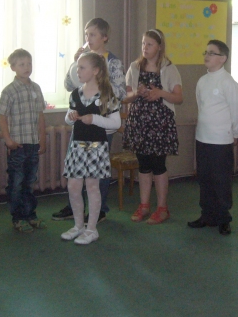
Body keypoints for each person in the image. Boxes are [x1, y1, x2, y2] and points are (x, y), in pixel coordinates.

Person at [52, 18, 126, 222]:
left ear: (104, 37)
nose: (88, 38)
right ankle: (73, 207)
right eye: (86, 34)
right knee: (76, 170)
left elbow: (120, 92)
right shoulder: (83, 59)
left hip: (102, 123)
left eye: (93, 34)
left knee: (97, 171)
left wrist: (99, 83)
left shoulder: (113, 62)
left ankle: (98, 210)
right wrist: (76, 63)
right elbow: (70, 86)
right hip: (81, 123)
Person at [123, 29, 183, 224]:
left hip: (160, 124)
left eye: (149, 44)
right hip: (139, 122)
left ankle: (162, 208)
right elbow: (125, 97)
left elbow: (178, 97)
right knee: (144, 165)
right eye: (143, 43)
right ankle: (144, 205)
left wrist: (160, 93)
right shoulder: (134, 67)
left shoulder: (169, 68)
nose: (145, 47)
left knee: (158, 165)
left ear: (159, 46)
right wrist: (137, 93)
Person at [61, 52, 121, 244]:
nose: (77, 71)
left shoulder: (107, 95)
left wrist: (94, 119)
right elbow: (69, 117)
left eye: (82, 67)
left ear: (95, 71)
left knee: (92, 187)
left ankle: (91, 229)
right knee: (73, 186)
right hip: (77, 146)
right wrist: (70, 117)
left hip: (96, 147)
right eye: (77, 67)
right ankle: (79, 225)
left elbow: (116, 123)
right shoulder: (75, 94)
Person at [187, 40, 238, 236]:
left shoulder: (228, 82)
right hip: (203, 138)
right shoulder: (202, 81)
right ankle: (207, 215)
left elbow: (237, 112)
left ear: (223, 58)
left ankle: (223, 218)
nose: (207, 55)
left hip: (221, 141)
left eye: (212, 53)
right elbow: (201, 106)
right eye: (206, 52)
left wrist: (235, 133)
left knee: (221, 180)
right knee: (204, 179)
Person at [0, 49, 47, 233]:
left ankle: (30, 215)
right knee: (16, 183)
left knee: (30, 182)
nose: (27, 67)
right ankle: (17, 217)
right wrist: (8, 140)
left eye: (29, 63)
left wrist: (43, 139)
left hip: (33, 144)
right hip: (18, 145)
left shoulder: (36, 88)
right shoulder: (9, 91)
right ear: (13, 68)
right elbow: (2, 117)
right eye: (22, 64)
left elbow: (40, 116)